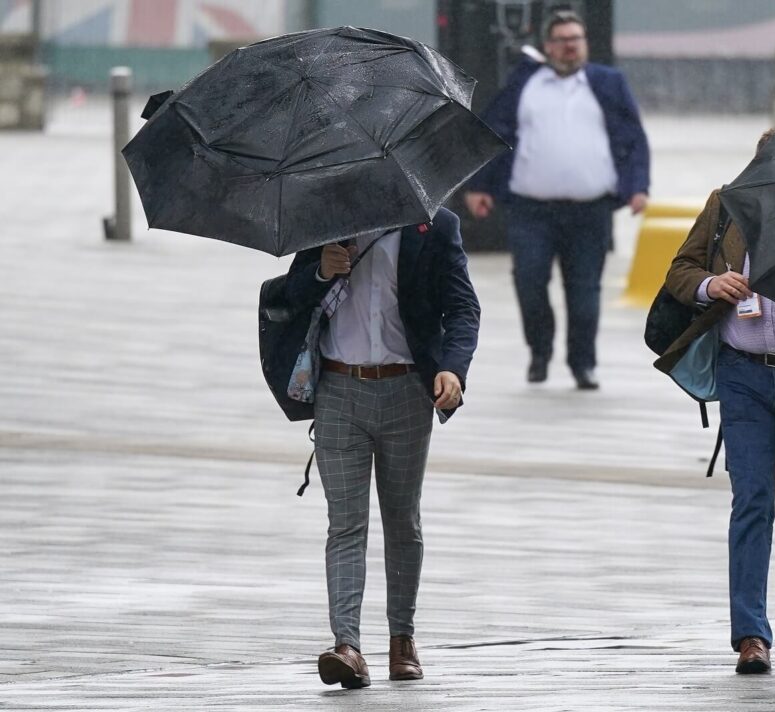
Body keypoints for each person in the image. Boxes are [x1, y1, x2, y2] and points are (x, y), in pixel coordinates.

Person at [658, 125, 775, 674]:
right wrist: (713, 287)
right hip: (742, 377)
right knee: (753, 500)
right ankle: (750, 636)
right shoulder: (725, 207)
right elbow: (680, 272)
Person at [282, 209, 480, 688]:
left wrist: (452, 368)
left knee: (401, 519)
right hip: (339, 391)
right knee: (345, 521)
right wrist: (319, 272)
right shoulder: (325, 220)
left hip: (406, 391)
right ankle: (346, 644)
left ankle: (401, 638)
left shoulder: (435, 226)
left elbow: (463, 307)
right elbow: (290, 300)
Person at [465, 9, 650, 390]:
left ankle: (583, 363)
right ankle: (539, 351)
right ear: (547, 46)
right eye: (562, 40)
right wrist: (480, 185)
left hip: (591, 209)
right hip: (530, 209)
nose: (570, 47)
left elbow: (633, 137)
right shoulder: (525, 82)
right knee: (529, 283)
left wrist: (638, 186)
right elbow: (493, 132)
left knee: (584, 293)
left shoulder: (608, 82)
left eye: (576, 40)